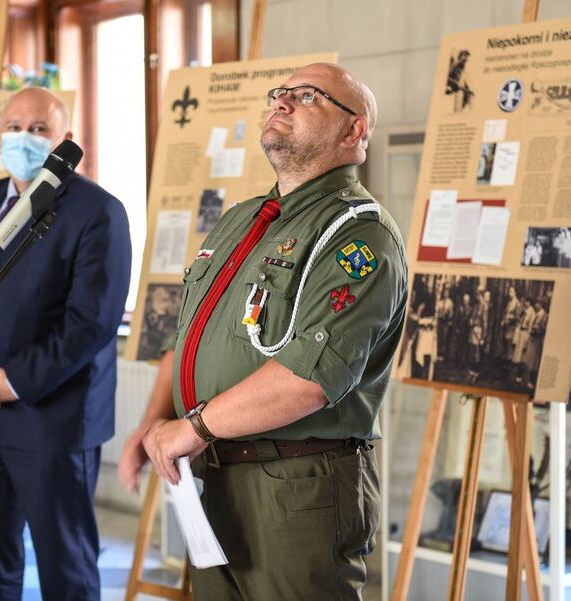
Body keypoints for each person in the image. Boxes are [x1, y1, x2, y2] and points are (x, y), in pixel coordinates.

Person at [118, 62, 407, 600]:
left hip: (297, 485)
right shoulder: (242, 220)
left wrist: (193, 427)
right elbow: (191, 333)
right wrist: (154, 420)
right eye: (280, 92)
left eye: (308, 96)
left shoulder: (359, 234)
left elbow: (308, 379)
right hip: (217, 474)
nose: (282, 101)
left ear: (353, 131)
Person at [0, 87, 131, 601]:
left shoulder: (97, 211)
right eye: (15, 125)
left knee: (66, 574)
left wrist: (14, 380)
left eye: (39, 128)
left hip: (53, 419)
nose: (24, 136)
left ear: (64, 139)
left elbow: (92, 322)